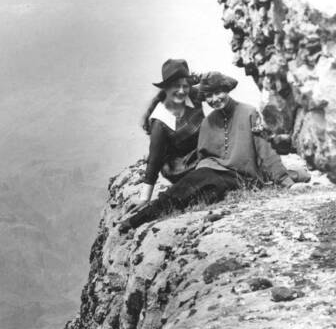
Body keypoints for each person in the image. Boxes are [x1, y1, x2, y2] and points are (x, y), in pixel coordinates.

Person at [118, 71, 300, 232]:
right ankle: (146, 215)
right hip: (215, 173)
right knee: (192, 194)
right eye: (209, 95)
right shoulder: (208, 122)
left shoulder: (249, 113)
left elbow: (266, 151)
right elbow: (204, 156)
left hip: (242, 176)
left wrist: (286, 181)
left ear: (227, 90)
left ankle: (138, 219)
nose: (215, 99)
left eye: (219, 92)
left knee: (194, 185)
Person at [126, 58, 205, 215]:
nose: (181, 91)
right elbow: (154, 161)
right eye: (176, 86)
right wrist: (145, 198)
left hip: (201, 151)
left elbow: (216, 89)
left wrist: (200, 79)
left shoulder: (194, 95)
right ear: (166, 88)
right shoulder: (160, 122)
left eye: (185, 86)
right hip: (181, 166)